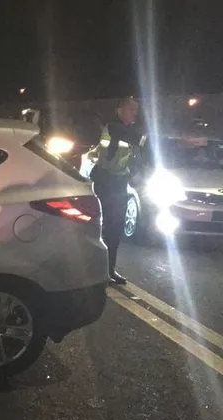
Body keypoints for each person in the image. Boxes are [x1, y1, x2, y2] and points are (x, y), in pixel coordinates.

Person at [89, 98, 142, 285]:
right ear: (119, 110)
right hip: (106, 182)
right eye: (130, 109)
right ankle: (99, 270)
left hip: (118, 183)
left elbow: (135, 153)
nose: (134, 113)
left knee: (115, 228)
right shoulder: (114, 127)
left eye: (136, 110)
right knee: (103, 227)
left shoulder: (127, 130)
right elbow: (135, 139)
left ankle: (110, 270)